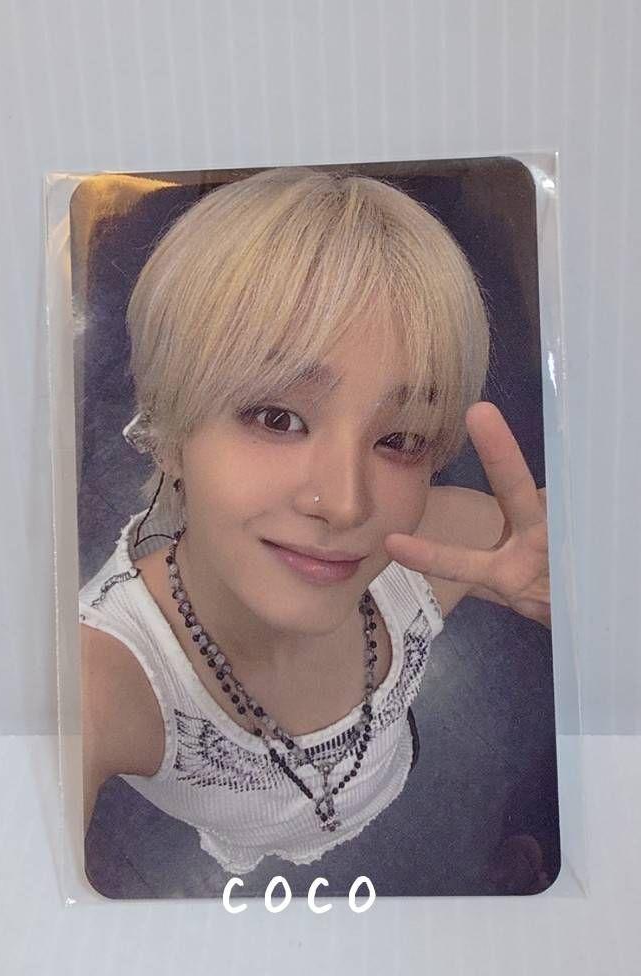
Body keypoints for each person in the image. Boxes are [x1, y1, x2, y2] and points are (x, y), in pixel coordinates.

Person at [78, 166, 550, 877]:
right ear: (168, 432)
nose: (347, 504)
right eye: (277, 417)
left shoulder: (431, 548)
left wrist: (596, 604)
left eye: (400, 438)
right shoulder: (105, 677)